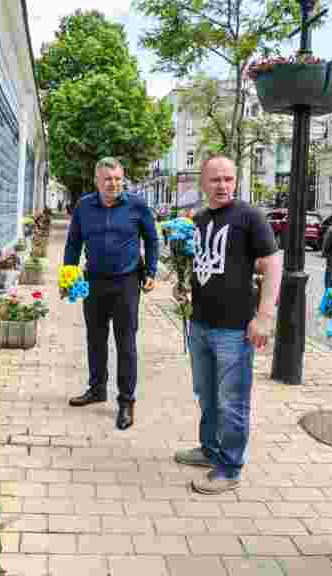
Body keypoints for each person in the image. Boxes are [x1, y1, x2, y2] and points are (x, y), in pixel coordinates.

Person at [169, 156, 281, 495]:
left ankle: (229, 468)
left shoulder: (249, 216)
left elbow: (273, 264)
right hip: (200, 324)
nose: (222, 185)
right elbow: (202, 263)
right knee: (206, 394)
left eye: (228, 179)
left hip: (234, 328)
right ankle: (209, 450)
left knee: (232, 401)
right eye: (215, 179)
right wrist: (184, 286)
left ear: (236, 181)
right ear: (203, 183)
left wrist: (264, 316)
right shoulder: (199, 219)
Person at [63, 157, 159, 431]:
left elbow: (152, 239)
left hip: (127, 282)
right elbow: (73, 243)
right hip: (93, 280)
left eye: (118, 179)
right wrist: (68, 277)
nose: (114, 184)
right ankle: (97, 389)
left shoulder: (136, 205)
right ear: (97, 180)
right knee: (95, 337)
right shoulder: (84, 206)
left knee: (125, 342)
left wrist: (151, 271)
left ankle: (126, 401)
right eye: (108, 179)